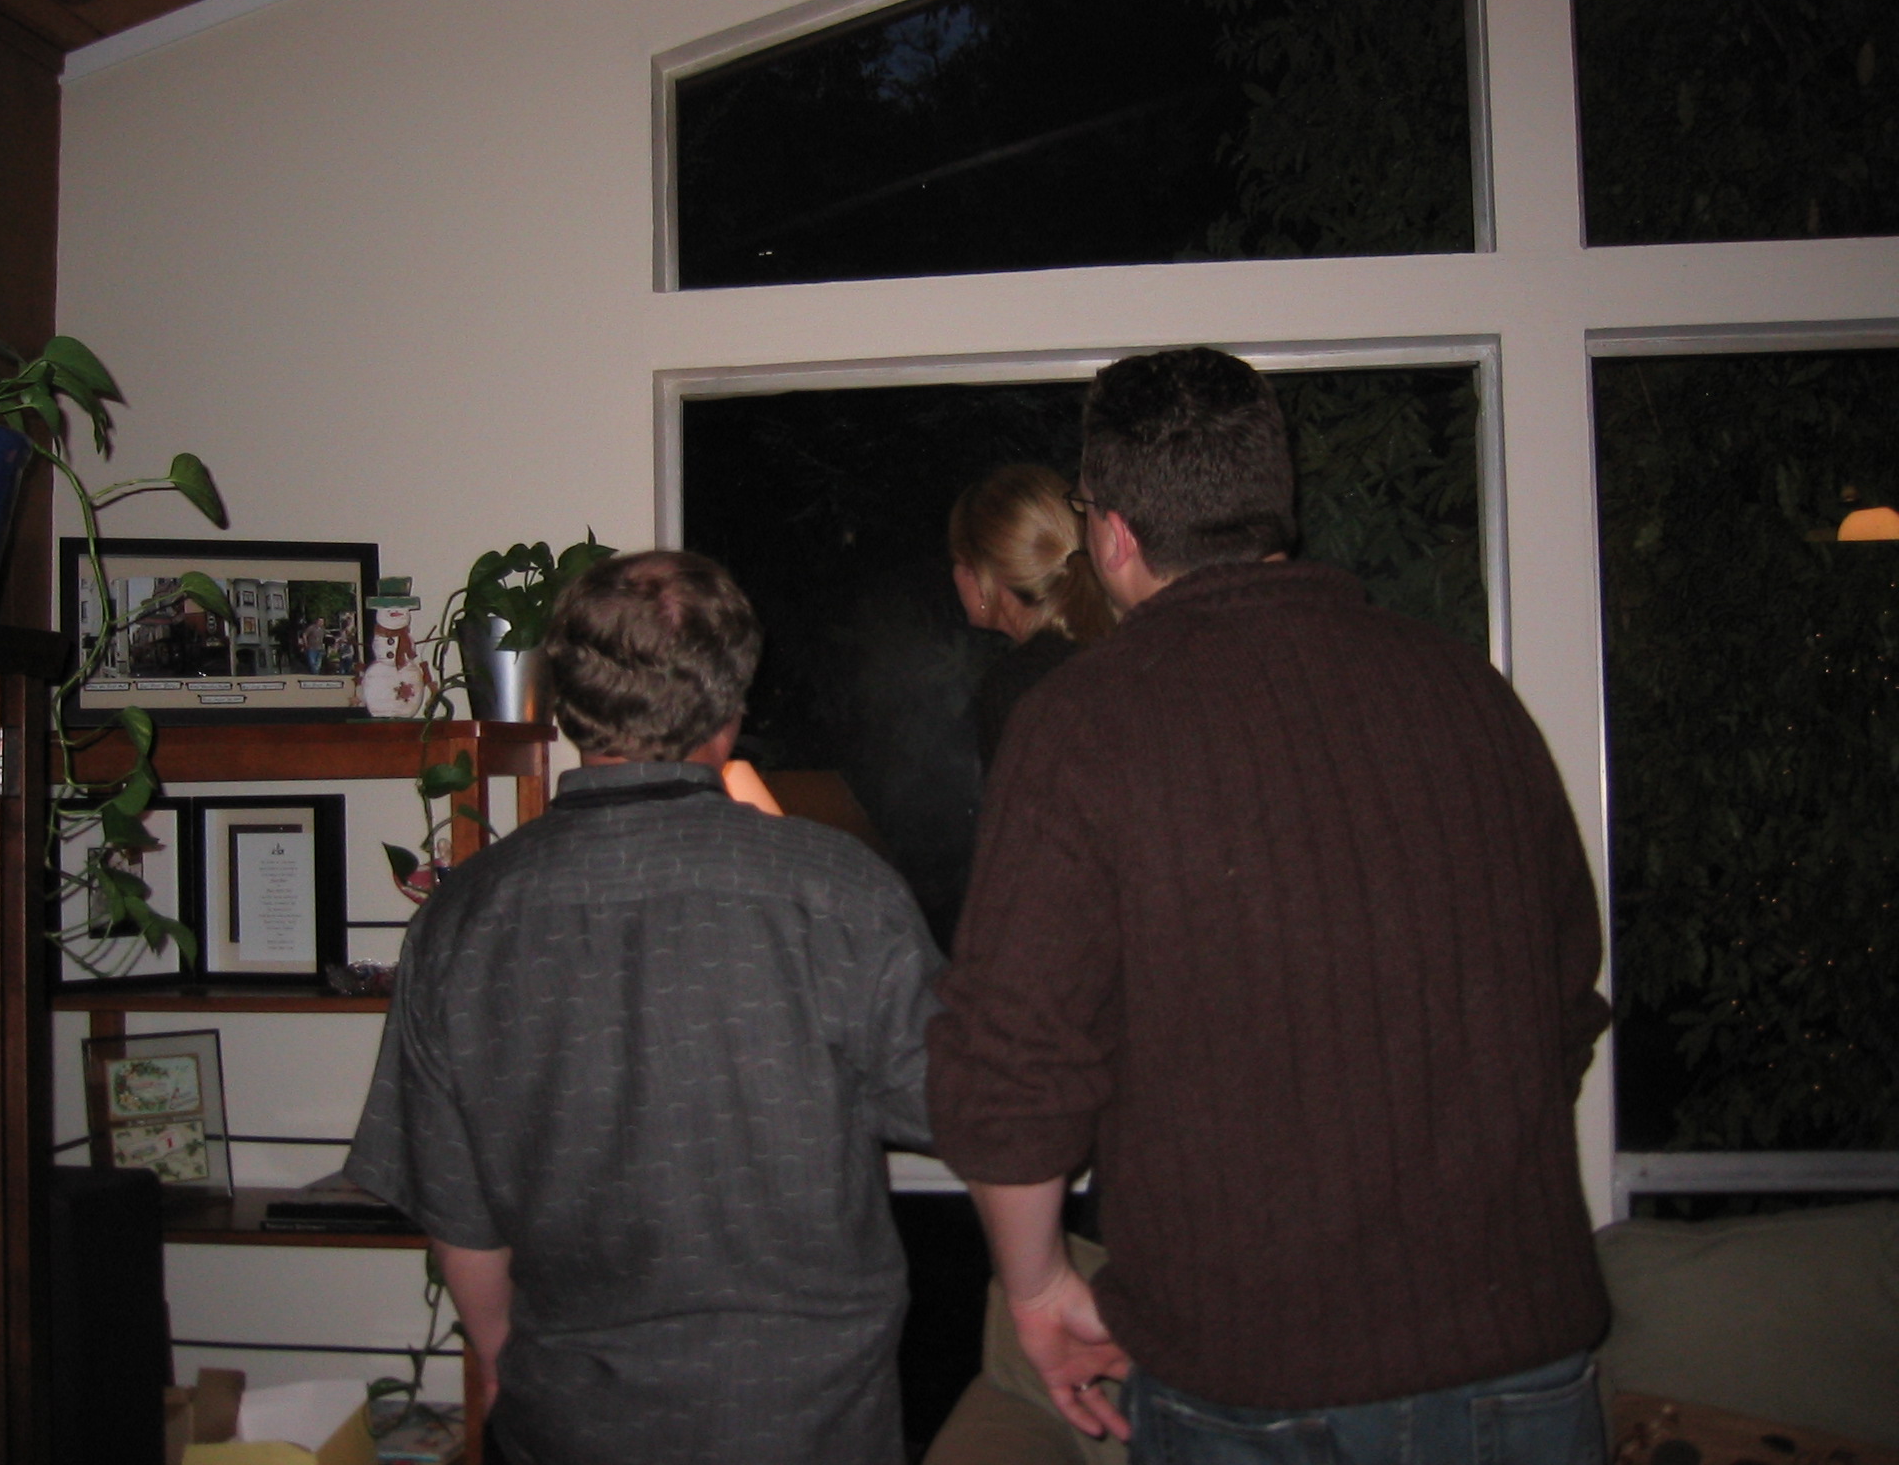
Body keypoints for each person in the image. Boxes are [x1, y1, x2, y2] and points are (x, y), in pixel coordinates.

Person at [926, 348, 1611, 1464]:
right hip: (1521, 1366)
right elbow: (1562, 1001)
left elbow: (1010, 1060)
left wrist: (1038, 1289)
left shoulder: (1083, 724)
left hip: (1253, 1382)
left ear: (1112, 535)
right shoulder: (1470, 694)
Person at [345, 549, 945, 1465]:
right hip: (808, 1417)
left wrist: (501, 1361)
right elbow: (957, 1106)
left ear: (566, 702)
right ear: (732, 700)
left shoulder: (463, 918)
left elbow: (460, 1218)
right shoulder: (840, 892)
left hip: (571, 1420)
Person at [949, 463, 1115, 765]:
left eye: (958, 561)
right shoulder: (1118, 649)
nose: (954, 577)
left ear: (983, 575)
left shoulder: (1017, 687)